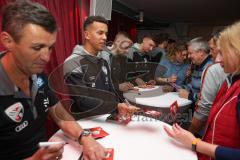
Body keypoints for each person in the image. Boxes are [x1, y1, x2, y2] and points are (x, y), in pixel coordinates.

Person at [0, 1, 106, 160]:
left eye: (50, 48)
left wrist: (85, 137)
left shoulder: (36, 74)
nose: (46, 58)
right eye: (37, 48)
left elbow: (59, 113)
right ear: (7, 41)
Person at [164, 21, 240, 160]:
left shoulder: (211, 70)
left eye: (221, 52)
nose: (216, 59)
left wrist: (194, 142)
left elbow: (205, 106)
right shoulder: (232, 81)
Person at [63, 16, 139, 116]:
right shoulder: (73, 62)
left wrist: (122, 105)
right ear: (87, 34)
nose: (105, 37)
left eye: (106, 34)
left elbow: (110, 90)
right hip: (86, 122)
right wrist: (116, 107)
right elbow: (83, 102)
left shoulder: (103, 60)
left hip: (106, 117)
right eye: (100, 33)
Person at [189, 32, 227, 135]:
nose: (210, 53)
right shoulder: (197, 66)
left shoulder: (211, 69)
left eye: (212, 49)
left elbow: (205, 107)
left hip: (208, 127)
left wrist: (190, 133)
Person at [98, 31, 135, 99]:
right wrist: (117, 86)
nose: (128, 51)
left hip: (118, 98)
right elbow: (98, 83)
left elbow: (119, 79)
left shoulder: (122, 56)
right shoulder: (104, 56)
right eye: (126, 47)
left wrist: (128, 83)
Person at [178, 37, 213, 104]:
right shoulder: (197, 65)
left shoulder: (210, 68)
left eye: (190, 53)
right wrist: (177, 88)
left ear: (201, 52)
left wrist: (189, 96)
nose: (188, 56)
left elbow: (209, 98)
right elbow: (193, 86)